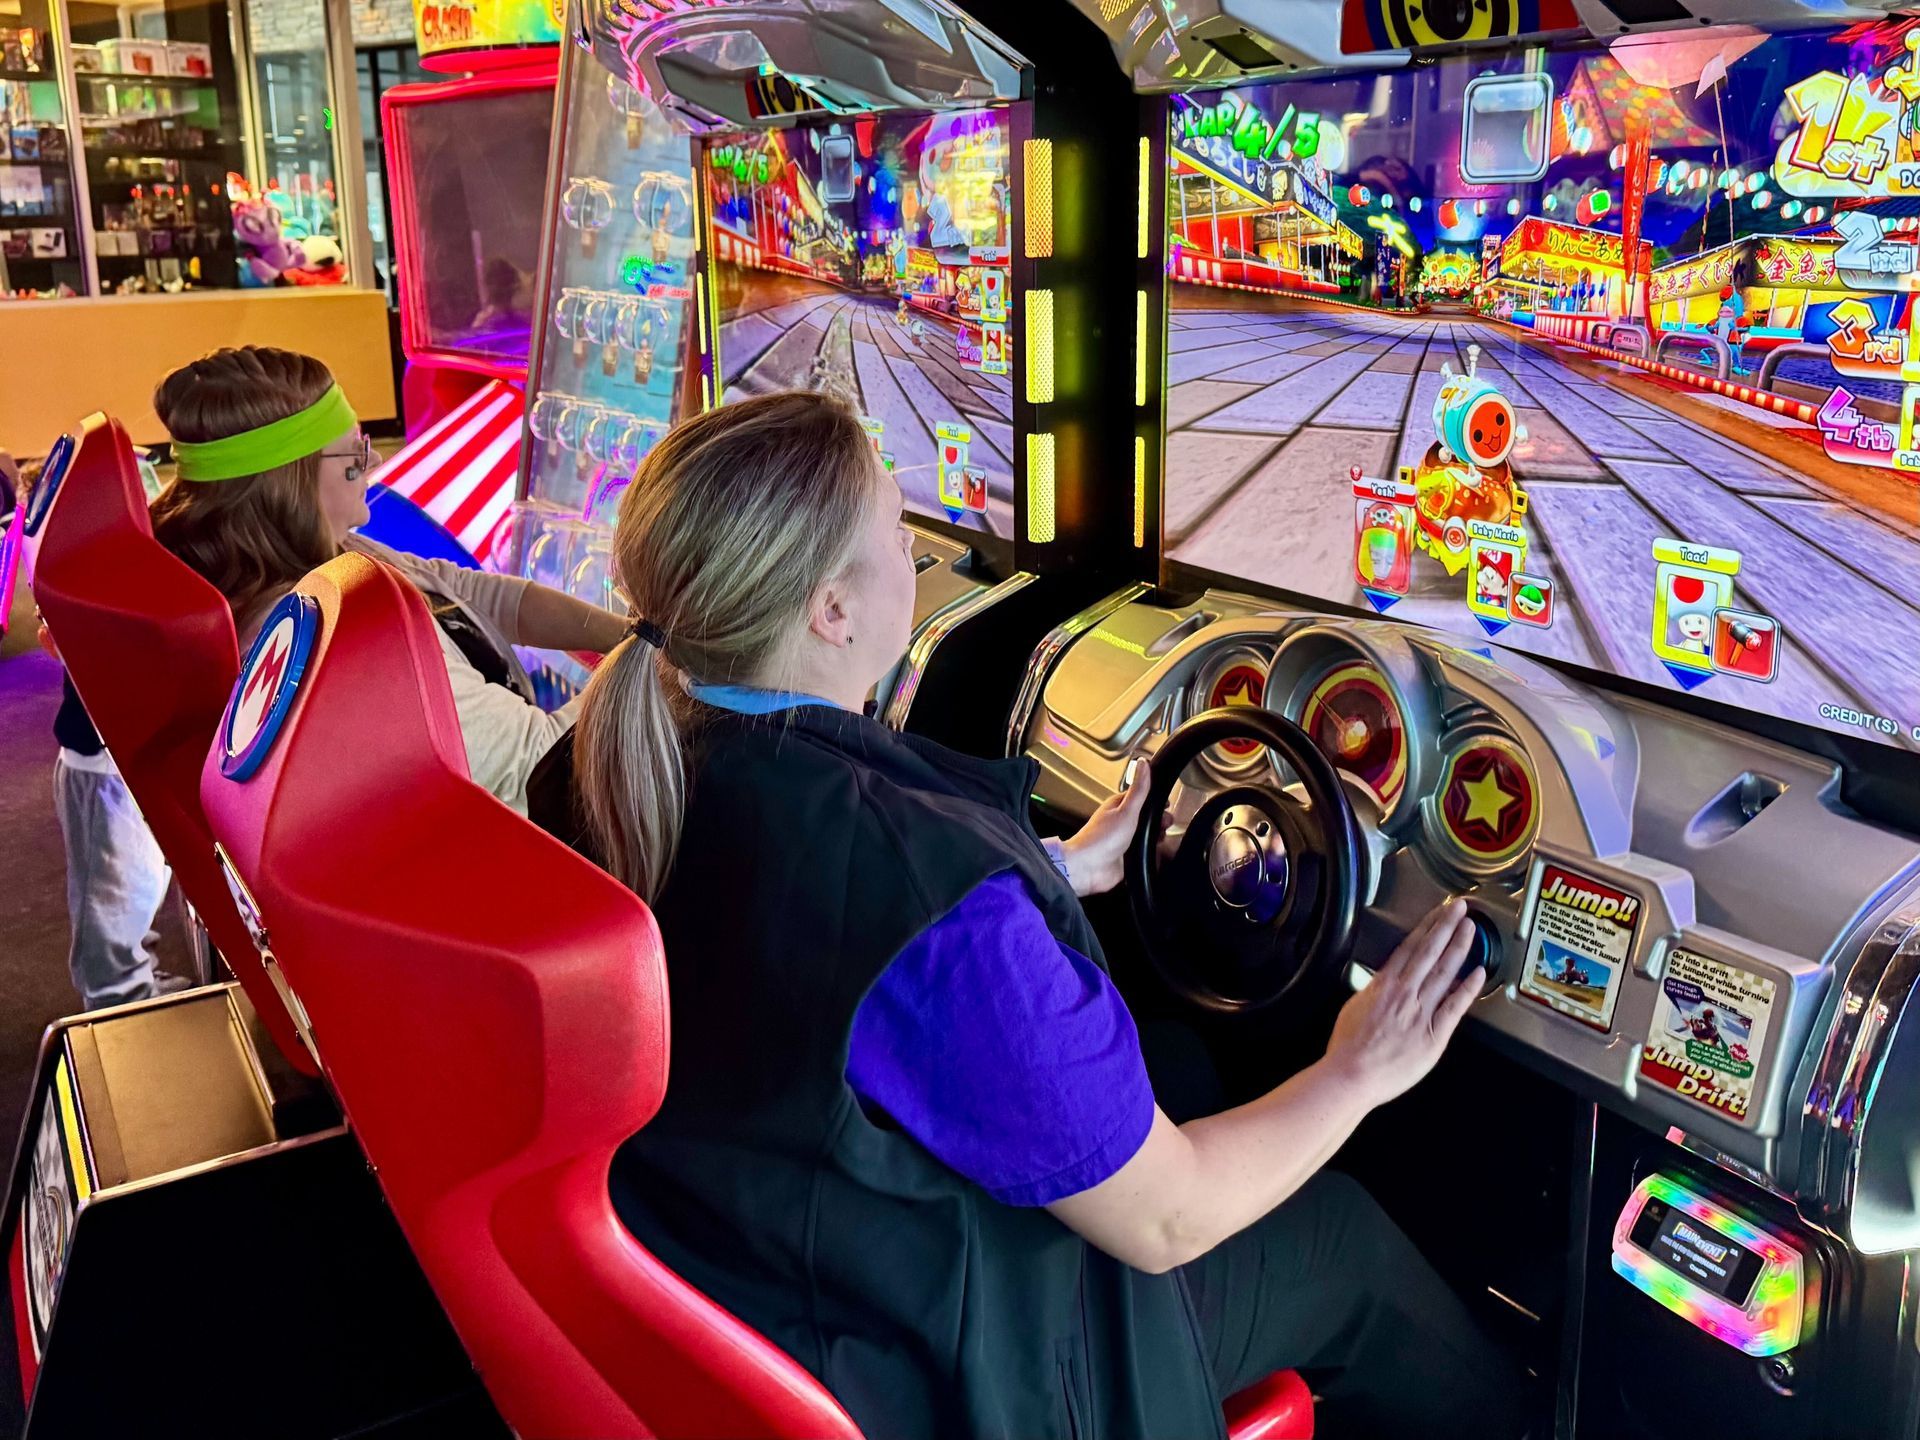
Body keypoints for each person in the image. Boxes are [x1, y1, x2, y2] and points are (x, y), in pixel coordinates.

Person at [537, 392, 1528, 1439]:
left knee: (1183, 1063)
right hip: (969, 1377)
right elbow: (1166, 1219)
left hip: (781, 1270)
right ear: (831, 611)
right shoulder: (939, 907)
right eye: (897, 530)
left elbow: (818, 936)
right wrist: (1357, 1072)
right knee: (1344, 1242)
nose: (915, 551)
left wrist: (1045, 869)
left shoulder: (617, 757)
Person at [150, 346, 625, 813]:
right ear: (292, 485)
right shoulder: (345, 635)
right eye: (355, 453)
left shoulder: (329, 560)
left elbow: (473, 594)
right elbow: (538, 764)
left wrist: (621, 635)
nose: (374, 463)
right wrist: (644, 662)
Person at [10, 449, 179, 1010]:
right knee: (113, 904)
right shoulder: (80, 569)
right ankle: (121, 1004)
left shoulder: (103, 560)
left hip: (125, 758)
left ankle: (138, 983)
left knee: (137, 889)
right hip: (99, 767)